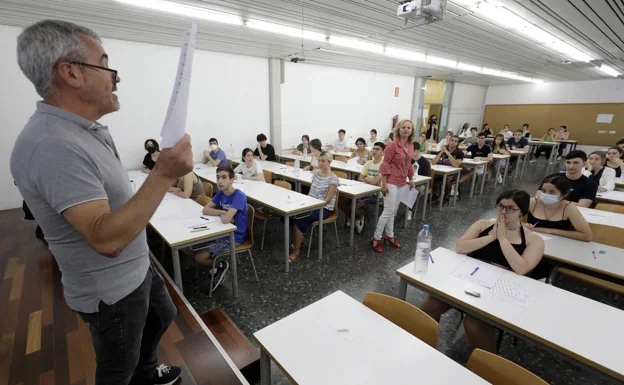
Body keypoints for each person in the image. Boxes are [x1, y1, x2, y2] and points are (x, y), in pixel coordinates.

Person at [10, 20, 191, 385]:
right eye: (106, 64)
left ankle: (146, 372)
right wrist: (162, 174)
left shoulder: (81, 131)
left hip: (137, 267)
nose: (115, 77)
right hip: (112, 292)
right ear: (71, 73)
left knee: (161, 315)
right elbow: (105, 240)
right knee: (115, 369)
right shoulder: (53, 145)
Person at [421, 190, 544, 353]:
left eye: (510, 209)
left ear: (522, 212)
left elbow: (521, 268)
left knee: (473, 325)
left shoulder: (533, 239)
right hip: (470, 279)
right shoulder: (483, 225)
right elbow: (460, 247)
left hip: (501, 291)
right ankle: (425, 346)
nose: (503, 212)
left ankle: (487, 367)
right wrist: (491, 237)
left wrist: (503, 238)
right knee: (430, 304)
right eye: (500, 206)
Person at [194, 166, 248, 290]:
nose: (220, 181)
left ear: (232, 179)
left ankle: (221, 265)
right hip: (220, 232)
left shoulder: (238, 195)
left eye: (224, 177)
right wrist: (222, 212)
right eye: (218, 177)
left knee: (199, 257)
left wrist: (224, 215)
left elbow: (226, 220)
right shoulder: (220, 193)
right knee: (189, 249)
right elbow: (205, 210)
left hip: (234, 237)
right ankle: (215, 266)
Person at [371, 119, 417, 253]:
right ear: (399, 129)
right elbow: (385, 164)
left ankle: (389, 235)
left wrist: (411, 178)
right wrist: (383, 184)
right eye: (404, 127)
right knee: (387, 211)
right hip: (390, 181)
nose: (406, 129)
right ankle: (376, 237)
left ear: (411, 130)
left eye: (409, 127)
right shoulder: (392, 145)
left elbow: (408, 164)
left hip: (402, 181)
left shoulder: (410, 145)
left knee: (394, 211)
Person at [289, 151, 338, 262]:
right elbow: (311, 194)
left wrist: (312, 206)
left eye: (323, 161)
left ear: (330, 162)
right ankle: (301, 240)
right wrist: (304, 203)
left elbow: (327, 200)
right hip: (312, 205)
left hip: (323, 208)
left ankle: (296, 253)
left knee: (298, 217)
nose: (320, 163)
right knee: (289, 215)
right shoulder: (316, 175)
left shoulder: (333, 179)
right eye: (319, 161)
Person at [525, 175, 592, 241]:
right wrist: (523, 225)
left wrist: (549, 230)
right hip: (531, 240)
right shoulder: (533, 202)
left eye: (552, 192)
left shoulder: (568, 208)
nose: (546, 194)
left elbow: (587, 236)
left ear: (563, 195)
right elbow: (515, 220)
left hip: (558, 243)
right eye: (544, 190)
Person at [340, 142, 385, 233]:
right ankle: (357, 218)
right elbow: (360, 178)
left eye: (378, 149)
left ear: (383, 153)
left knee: (356, 204)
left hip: (376, 193)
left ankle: (355, 217)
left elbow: (375, 183)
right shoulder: (368, 163)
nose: (374, 151)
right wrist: (368, 180)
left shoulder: (384, 165)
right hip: (362, 189)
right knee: (341, 199)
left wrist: (367, 179)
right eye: (374, 149)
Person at [432, 135, 464, 206]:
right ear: (449, 141)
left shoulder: (459, 153)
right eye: (451, 140)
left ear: (457, 143)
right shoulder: (443, 150)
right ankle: (435, 194)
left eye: (455, 141)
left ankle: (446, 196)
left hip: (455, 173)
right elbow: (433, 162)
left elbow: (456, 165)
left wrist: (447, 153)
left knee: (448, 180)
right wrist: (441, 152)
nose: (453, 142)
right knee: (433, 176)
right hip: (444, 171)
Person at [406, 141, 432, 220]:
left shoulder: (425, 162)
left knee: (413, 190)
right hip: (408, 181)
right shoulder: (408, 160)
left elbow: (427, 178)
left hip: (421, 184)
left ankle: (409, 210)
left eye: (412, 150)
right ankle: (395, 209)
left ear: (417, 150)